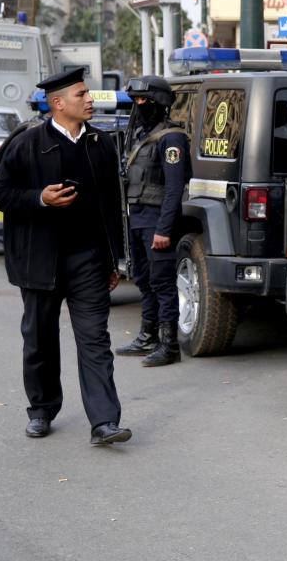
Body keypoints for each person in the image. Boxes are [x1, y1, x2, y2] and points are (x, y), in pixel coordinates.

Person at [0, 68, 131, 445]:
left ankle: (104, 422)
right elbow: (0, 195)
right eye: (82, 94)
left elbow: (111, 206)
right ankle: (41, 409)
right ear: (57, 103)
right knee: (39, 339)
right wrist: (40, 199)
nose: (90, 100)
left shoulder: (101, 143)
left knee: (95, 339)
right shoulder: (27, 143)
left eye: (89, 94)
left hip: (88, 260)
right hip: (39, 261)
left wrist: (112, 260)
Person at [115, 76, 191, 367]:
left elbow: (174, 188)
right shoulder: (141, 134)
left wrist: (164, 229)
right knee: (144, 280)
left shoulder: (171, 138)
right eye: (135, 100)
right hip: (137, 218)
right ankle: (148, 335)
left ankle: (169, 345)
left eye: (143, 100)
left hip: (156, 220)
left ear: (158, 102)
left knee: (162, 283)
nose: (138, 105)